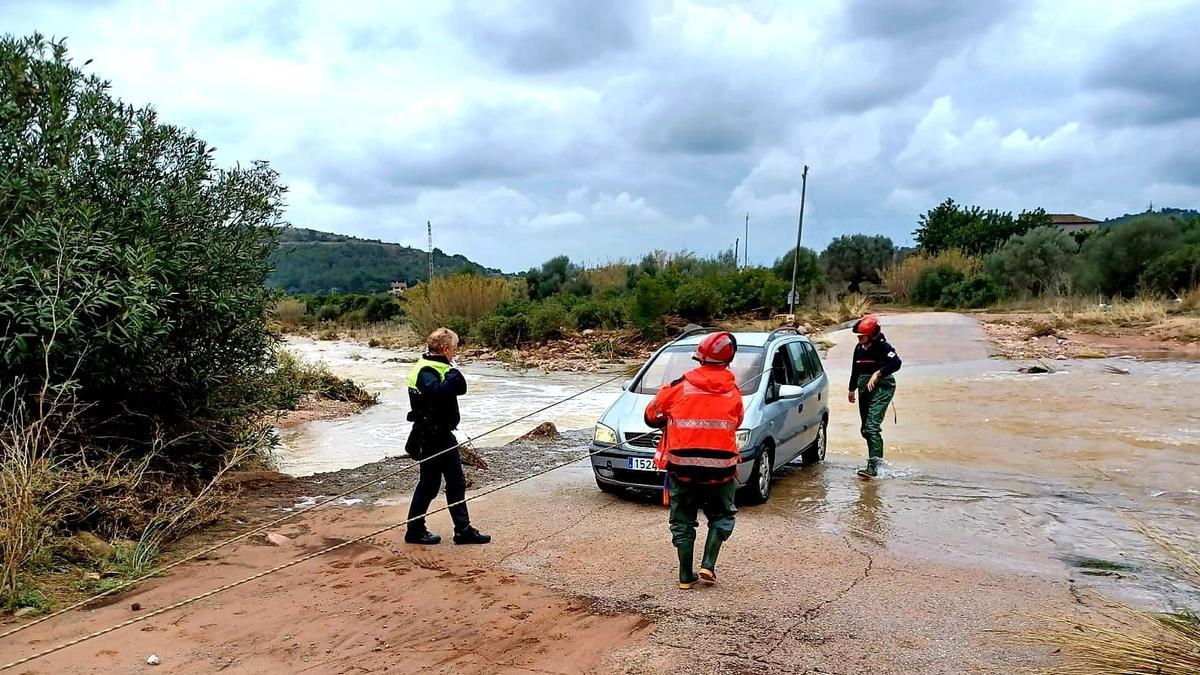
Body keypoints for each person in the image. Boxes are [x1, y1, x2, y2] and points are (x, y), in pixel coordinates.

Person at [644, 331, 744, 589]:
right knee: (722, 514)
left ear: (700, 358)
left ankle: (685, 576)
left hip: (683, 467)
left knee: (683, 519)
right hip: (722, 469)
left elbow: (651, 414)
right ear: (729, 359)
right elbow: (737, 422)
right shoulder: (733, 392)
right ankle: (708, 565)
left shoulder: (679, 386)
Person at [404, 327, 490, 545]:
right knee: (429, 485)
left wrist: (452, 372)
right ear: (444, 349)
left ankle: (462, 530)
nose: (455, 352)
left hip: (442, 434)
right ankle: (415, 530)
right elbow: (438, 392)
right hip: (430, 436)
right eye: (454, 348)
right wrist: (453, 372)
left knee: (455, 482)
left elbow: (461, 388)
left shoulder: (438, 366)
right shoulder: (426, 370)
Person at [847, 315, 901, 479]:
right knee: (865, 430)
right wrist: (851, 389)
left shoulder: (883, 347)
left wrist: (878, 373)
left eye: (862, 335)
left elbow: (896, 363)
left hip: (882, 387)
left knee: (871, 427)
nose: (859, 338)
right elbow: (855, 370)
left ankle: (874, 468)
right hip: (864, 387)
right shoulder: (858, 349)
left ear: (872, 335)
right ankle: (876, 462)